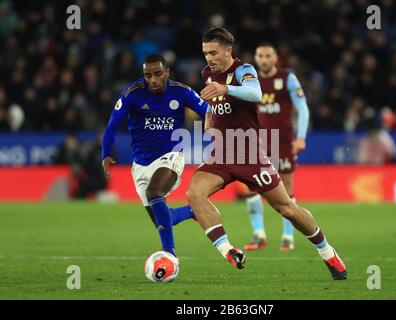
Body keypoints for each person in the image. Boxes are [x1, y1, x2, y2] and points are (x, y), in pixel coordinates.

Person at [186, 27, 347, 280]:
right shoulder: (208, 73)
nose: (208, 58)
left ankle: (328, 253)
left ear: (228, 50)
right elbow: (211, 101)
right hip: (221, 155)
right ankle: (229, 251)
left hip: (251, 155)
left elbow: (255, 94)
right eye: (205, 53)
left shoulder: (243, 70)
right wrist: (209, 117)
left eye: (213, 52)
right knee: (194, 194)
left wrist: (225, 90)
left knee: (287, 209)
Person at [102, 54, 209, 257]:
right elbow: (111, 126)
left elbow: (209, 113)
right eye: (147, 75)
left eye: (158, 74)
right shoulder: (132, 93)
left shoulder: (182, 92)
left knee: (154, 193)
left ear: (167, 72)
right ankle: (191, 211)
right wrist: (105, 154)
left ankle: (169, 255)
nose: (152, 80)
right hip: (140, 164)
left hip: (171, 156)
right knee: (162, 218)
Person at [243, 43, 310, 252]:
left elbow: (302, 108)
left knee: (287, 189)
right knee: (252, 188)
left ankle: (288, 237)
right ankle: (259, 235)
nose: (264, 59)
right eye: (260, 55)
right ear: (255, 58)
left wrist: (301, 137)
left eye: (267, 55)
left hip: (281, 142)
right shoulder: (249, 81)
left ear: (275, 58)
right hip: (256, 142)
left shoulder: (286, 78)